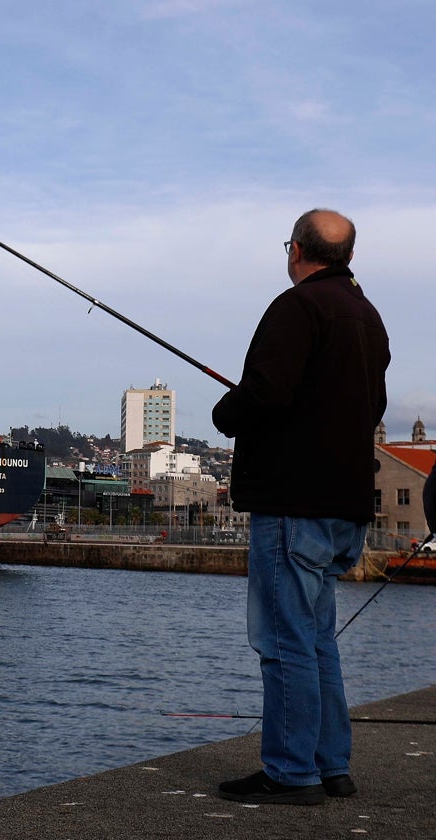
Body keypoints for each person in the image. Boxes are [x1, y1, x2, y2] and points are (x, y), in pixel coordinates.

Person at [211, 209, 390, 805]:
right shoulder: (368, 317)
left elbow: (267, 393)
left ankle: (291, 774)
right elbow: (373, 404)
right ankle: (330, 766)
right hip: (345, 505)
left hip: (293, 503)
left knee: (284, 641)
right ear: (349, 257)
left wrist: (225, 412)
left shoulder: (296, 308)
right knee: (317, 639)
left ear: (295, 250)